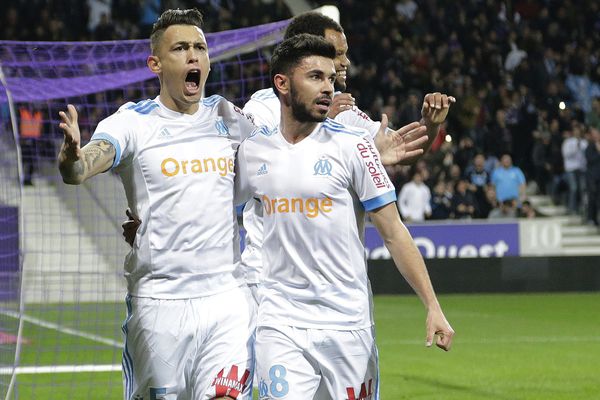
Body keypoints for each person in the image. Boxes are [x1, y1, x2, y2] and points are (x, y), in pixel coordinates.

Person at [235, 33, 453, 399]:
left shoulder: (354, 147)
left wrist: (432, 305)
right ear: (282, 84)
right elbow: (218, 208)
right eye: (316, 77)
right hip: (279, 322)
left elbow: (394, 233)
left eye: (330, 79)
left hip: (347, 324)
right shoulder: (253, 152)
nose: (328, 88)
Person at [58, 9, 256, 400]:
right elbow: (87, 164)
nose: (194, 56)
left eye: (200, 47)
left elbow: (284, 157)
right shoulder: (132, 122)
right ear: (156, 63)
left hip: (226, 297)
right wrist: (73, 162)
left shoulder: (228, 117)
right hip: (159, 302)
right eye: (181, 48)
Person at [240, 11, 454, 300]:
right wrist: (323, 119)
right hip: (269, 284)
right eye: (338, 53)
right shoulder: (262, 109)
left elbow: (401, 150)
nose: (345, 62)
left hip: (337, 286)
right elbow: (270, 161)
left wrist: (431, 123)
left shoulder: (349, 115)